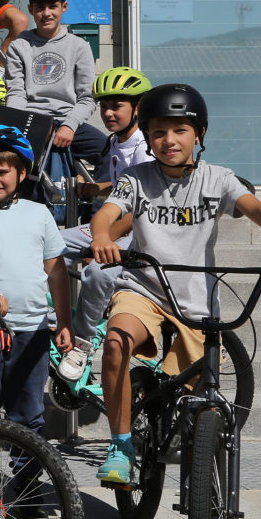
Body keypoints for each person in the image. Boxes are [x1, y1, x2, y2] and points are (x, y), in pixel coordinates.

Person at [90, 84, 261, 485]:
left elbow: (252, 208)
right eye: (159, 132)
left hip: (196, 301)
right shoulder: (136, 179)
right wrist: (101, 237)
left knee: (194, 398)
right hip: (144, 288)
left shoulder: (217, 179)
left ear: (198, 134)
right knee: (116, 344)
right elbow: (107, 214)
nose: (169, 140)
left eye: (180, 130)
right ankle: (120, 444)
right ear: (147, 137)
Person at [0, 125, 73, 443]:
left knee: (30, 412)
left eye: (1, 171)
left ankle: (28, 486)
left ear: (22, 173)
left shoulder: (39, 213)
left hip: (32, 329)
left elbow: (56, 271)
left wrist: (63, 321)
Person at [57, 66, 154, 380]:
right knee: (46, 245)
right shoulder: (116, 142)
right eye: (105, 106)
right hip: (111, 224)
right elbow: (122, 188)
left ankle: (83, 345)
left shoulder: (145, 147)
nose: (109, 113)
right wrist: (94, 189)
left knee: (99, 271)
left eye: (117, 106)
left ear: (137, 108)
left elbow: (137, 208)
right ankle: (48, 319)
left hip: (137, 232)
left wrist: (100, 243)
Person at [5, 0, 105, 177]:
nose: (47, 13)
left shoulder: (79, 46)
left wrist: (69, 126)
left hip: (68, 121)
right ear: (31, 9)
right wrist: (25, 128)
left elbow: (87, 97)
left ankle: (95, 206)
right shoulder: (19, 46)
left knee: (107, 150)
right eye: (40, 8)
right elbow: (15, 93)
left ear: (64, 7)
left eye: (53, 6)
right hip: (32, 121)